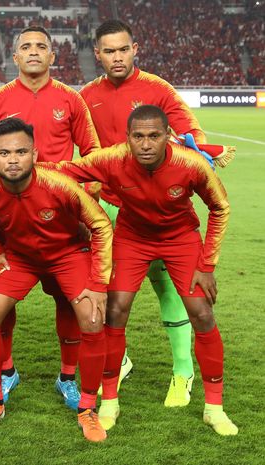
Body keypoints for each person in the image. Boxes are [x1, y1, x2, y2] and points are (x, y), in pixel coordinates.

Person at [49, 105, 237, 436]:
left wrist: (207, 265)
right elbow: (68, 170)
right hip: (132, 238)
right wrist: (18, 168)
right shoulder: (111, 159)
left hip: (181, 239)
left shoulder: (189, 164)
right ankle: (110, 403)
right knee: (116, 310)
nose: (146, 144)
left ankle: (214, 409)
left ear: (167, 136)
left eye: (154, 136)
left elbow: (220, 207)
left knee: (202, 313)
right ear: (128, 138)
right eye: (138, 137)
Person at [79, 19, 232, 406]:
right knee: (104, 298)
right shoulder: (85, 96)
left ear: (135, 49)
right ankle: (120, 362)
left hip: (157, 210)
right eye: (108, 51)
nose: (117, 57)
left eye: (123, 49)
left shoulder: (158, 89)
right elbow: (81, 151)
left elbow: (192, 140)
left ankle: (183, 372)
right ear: (97, 54)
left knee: (171, 293)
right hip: (109, 213)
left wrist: (188, 161)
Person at [0, 26, 101, 408]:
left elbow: (92, 155)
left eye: (41, 46)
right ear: (14, 56)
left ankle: (68, 377)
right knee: (1, 304)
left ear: (53, 56)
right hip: (14, 221)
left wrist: (80, 201)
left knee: (69, 303)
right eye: (25, 46)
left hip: (64, 223)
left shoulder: (71, 99)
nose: (33, 52)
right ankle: (6, 371)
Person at [0, 118, 112, 442]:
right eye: (4, 153)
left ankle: (87, 407)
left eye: (21, 151)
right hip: (20, 258)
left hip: (68, 254)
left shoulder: (60, 185)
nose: (13, 159)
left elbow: (101, 225)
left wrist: (98, 284)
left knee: (92, 318)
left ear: (35, 153)